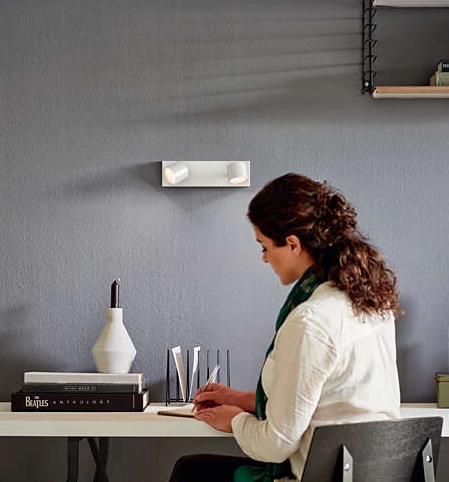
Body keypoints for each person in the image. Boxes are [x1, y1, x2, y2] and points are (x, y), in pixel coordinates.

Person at [168, 173, 402, 482]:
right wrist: (241, 399)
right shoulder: (370, 304)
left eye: (264, 246)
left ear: (292, 244)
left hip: (319, 476)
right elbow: (329, 403)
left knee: (192, 471)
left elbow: (276, 445)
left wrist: (235, 420)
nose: (264, 258)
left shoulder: (311, 321)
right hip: (372, 473)